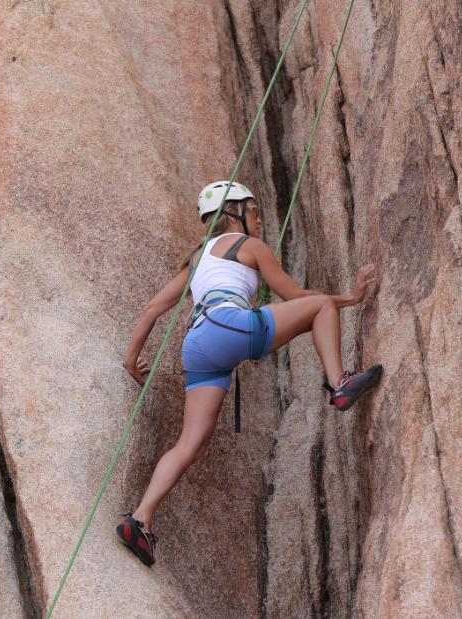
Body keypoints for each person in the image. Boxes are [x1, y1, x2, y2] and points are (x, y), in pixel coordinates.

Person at [115, 180, 382, 567]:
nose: (260, 217)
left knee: (191, 444)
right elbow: (297, 298)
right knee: (322, 306)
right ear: (232, 213)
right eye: (253, 209)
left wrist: (131, 360)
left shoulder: (195, 260)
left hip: (198, 346)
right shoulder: (249, 246)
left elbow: (153, 308)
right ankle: (340, 383)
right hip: (227, 325)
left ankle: (139, 520)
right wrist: (351, 299)